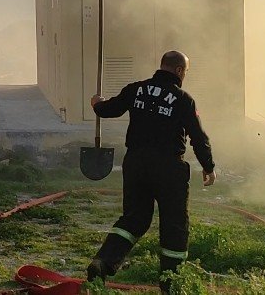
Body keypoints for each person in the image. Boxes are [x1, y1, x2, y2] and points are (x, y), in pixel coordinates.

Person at [86, 51, 216, 293]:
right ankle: (170, 284)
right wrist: (208, 167)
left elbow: (110, 109)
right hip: (168, 168)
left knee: (134, 219)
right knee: (174, 225)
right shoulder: (183, 99)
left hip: (135, 164)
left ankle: (103, 262)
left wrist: (97, 104)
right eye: (185, 72)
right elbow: (198, 138)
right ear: (179, 71)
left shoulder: (136, 89)